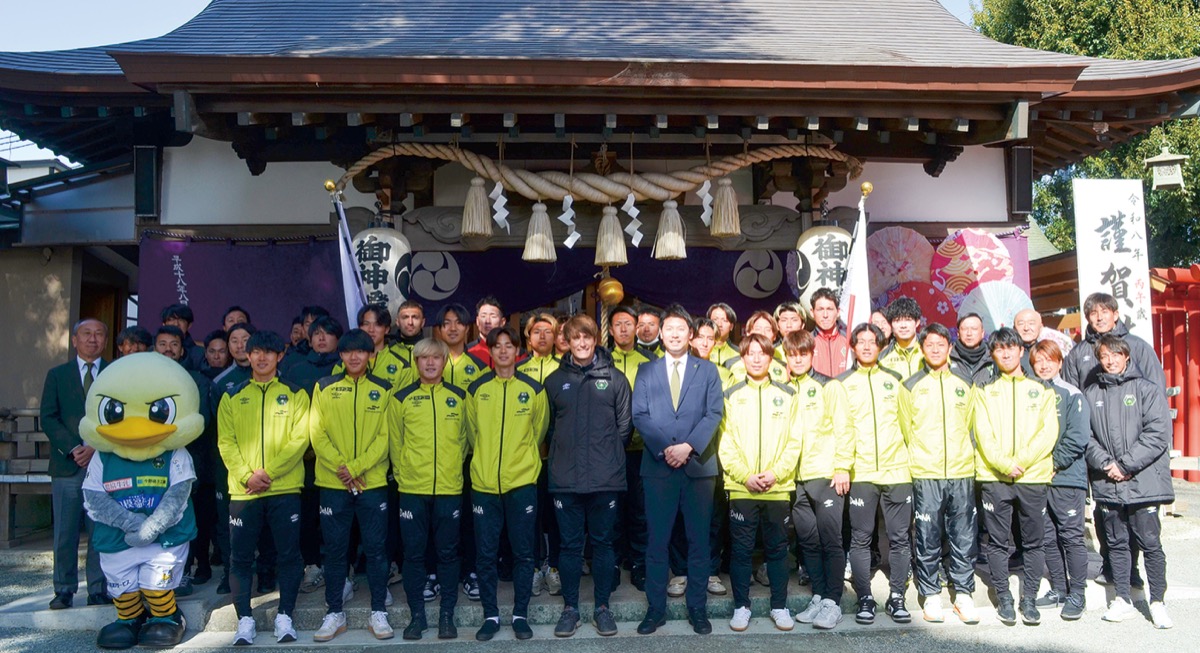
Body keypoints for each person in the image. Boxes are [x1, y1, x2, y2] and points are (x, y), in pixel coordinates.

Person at [633, 305, 724, 636]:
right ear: (660, 334)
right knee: (656, 542)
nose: (673, 334)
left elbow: (714, 413)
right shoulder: (646, 371)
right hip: (658, 468)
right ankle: (655, 609)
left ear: (690, 334)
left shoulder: (707, 371)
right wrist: (665, 449)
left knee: (698, 542)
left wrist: (689, 446)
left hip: (698, 468)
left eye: (680, 329)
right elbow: (640, 415)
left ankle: (697, 609)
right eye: (668, 328)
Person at [217, 330, 310, 646]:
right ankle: (245, 619)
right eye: (256, 351)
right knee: (240, 558)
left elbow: (300, 440)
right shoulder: (232, 395)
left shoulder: (296, 394)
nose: (261, 357)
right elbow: (226, 441)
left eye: (269, 352)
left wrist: (268, 473)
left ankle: (285, 615)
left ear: (280, 355)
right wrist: (247, 476)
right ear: (247, 354)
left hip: (283, 489)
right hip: (245, 492)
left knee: (288, 555)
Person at [544, 315, 632, 638]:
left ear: (595, 340)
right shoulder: (555, 381)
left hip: (605, 478)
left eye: (587, 338)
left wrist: (604, 457)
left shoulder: (615, 379)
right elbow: (549, 428)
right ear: (566, 341)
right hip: (565, 480)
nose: (582, 344)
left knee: (603, 544)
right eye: (575, 338)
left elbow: (624, 428)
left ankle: (602, 608)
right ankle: (570, 609)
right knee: (569, 547)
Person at [308, 329, 395, 642]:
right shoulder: (325, 387)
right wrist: (342, 468)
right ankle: (334, 612)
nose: (354, 357)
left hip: (371, 483)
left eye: (361, 352)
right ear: (341, 355)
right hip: (333, 483)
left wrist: (355, 468)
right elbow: (316, 433)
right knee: (334, 551)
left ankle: (378, 612)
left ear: (371, 355)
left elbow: (386, 437)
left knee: (376, 549)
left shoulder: (384, 389)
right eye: (348, 352)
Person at [466, 326, 550, 641]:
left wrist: (520, 464)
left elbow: (538, 433)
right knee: (486, 554)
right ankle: (490, 615)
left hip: (522, 483)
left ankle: (519, 614)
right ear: (490, 351)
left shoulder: (534, 389)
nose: (503, 351)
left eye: (508, 345)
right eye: (497, 346)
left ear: (517, 350)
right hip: (484, 484)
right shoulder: (476, 389)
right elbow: (472, 435)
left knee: (524, 552)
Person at [1085, 334, 1174, 629]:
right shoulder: (1092, 393)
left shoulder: (1146, 389)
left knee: (1150, 543)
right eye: (1104, 356)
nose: (1109, 361)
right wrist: (1106, 464)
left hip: (1143, 483)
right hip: (1108, 482)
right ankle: (1122, 597)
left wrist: (1125, 464)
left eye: (1115, 355)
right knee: (1116, 543)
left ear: (1126, 356)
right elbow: (1087, 437)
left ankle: (1157, 601)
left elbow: (1158, 433)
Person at [973, 327, 1058, 626]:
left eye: (1011, 348)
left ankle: (1030, 599)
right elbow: (982, 432)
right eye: (999, 349)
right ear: (993, 355)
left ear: (1021, 351)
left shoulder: (1042, 390)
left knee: (1034, 542)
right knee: (996, 542)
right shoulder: (984, 391)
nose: (1006, 353)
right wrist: (1002, 463)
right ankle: (1005, 599)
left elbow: (1048, 433)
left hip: (1032, 477)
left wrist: (1019, 462)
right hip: (995, 478)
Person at [718, 333, 802, 633]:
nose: (756, 358)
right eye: (750, 353)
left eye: (761, 353)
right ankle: (741, 606)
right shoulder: (730, 395)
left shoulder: (788, 394)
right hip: (742, 487)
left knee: (778, 550)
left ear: (770, 357)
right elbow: (724, 443)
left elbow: (795, 441)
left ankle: (780, 606)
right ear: (742, 358)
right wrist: (745, 475)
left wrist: (776, 473)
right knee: (740, 550)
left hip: (777, 488)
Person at [897, 323, 979, 624]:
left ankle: (964, 594)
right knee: (928, 535)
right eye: (929, 344)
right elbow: (907, 428)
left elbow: (971, 423)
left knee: (963, 535)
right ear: (922, 348)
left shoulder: (964, 381)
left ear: (949, 348)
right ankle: (931, 594)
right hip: (925, 471)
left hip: (960, 469)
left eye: (940, 344)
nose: (934, 349)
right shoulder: (911, 385)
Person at [389, 338, 468, 640]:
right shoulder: (402, 398)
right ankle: (417, 617)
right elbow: (395, 443)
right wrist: (404, 473)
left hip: (449, 488)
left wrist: (449, 468)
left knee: (448, 554)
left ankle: (447, 616)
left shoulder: (459, 397)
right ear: (416, 362)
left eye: (436, 357)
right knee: (413, 555)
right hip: (412, 488)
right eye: (424, 358)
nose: (430, 363)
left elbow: (465, 440)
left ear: (445, 361)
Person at [838, 323, 912, 625]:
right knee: (860, 538)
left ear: (881, 346)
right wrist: (843, 465)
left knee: (899, 539)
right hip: (862, 472)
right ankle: (864, 597)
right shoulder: (842, 383)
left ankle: (897, 597)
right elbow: (840, 429)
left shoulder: (895, 381)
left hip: (897, 472)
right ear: (853, 347)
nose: (867, 346)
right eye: (861, 342)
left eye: (873, 342)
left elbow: (909, 425)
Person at [784, 330, 851, 631]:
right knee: (808, 541)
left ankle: (833, 602)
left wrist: (842, 466)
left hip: (825, 475)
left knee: (830, 539)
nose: (797, 359)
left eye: (802, 353)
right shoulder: (784, 390)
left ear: (812, 354)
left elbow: (844, 428)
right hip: (795, 479)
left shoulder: (829, 385)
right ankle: (819, 596)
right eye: (791, 354)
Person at [41, 318, 109, 609]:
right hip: (67, 465)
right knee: (65, 531)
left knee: (100, 529)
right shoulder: (58, 375)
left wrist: (95, 446)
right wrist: (73, 448)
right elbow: (48, 417)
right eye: (86, 334)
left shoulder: (114, 374)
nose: (92, 339)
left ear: (105, 341)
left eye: (98, 334)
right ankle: (64, 589)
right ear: (74, 340)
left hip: (104, 463)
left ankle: (98, 589)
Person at [152, 326, 216, 596]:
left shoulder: (196, 381)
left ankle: (194, 567)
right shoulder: (144, 379)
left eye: (174, 344)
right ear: (155, 348)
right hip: (152, 460)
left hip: (190, 457)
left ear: (182, 349)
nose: (168, 348)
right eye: (163, 343)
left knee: (193, 516)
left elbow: (201, 421)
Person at [1029, 340, 1091, 621]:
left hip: (1066, 477)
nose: (1043, 365)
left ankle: (1078, 592)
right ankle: (1059, 588)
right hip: (1037, 479)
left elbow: (1078, 437)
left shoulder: (1071, 394)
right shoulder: (1029, 394)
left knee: (1071, 536)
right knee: (1048, 537)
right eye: (1038, 360)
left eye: (1049, 360)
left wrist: (1053, 463)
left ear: (1060, 362)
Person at [283, 315, 344, 595]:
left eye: (328, 333)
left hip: (339, 458)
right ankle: (312, 565)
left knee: (338, 515)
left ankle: (344, 567)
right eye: (316, 333)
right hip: (304, 457)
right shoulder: (294, 369)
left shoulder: (347, 369)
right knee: (306, 513)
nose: (321, 338)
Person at [608, 305, 657, 591]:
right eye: (618, 324)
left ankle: (639, 563)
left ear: (637, 327)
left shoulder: (650, 360)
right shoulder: (602, 359)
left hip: (642, 451)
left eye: (628, 324)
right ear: (611, 330)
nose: (624, 329)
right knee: (612, 511)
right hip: (610, 451)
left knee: (641, 511)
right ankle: (613, 563)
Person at [1063, 292, 1165, 391]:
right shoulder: (1077, 353)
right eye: (1094, 313)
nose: (1100, 318)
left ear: (1115, 315)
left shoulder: (1138, 346)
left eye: (1104, 311)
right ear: (1087, 318)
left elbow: (1156, 386)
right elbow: (1070, 395)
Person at [725, 311, 788, 383]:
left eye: (768, 330)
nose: (763, 333)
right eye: (758, 329)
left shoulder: (783, 367)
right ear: (748, 333)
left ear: (774, 336)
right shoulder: (729, 364)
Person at [878, 297, 923, 380]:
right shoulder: (882, 358)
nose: (903, 325)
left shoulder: (931, 350)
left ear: (917, 322)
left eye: (908, 320)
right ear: (891, 324)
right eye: (897, 320)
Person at [810, 288, 850, 378]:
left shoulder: (849, 341)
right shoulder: (805, 342)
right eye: (820, 309)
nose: (825, 315)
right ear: (812, 312)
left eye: (830, 309)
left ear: (838, 312)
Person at [517, 313, 560, 384]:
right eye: (537, 332)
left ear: (555, 339)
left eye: (547, 332)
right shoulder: (518, 368)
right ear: (529, 340)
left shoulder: (563, 367)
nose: (542, 336)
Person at [466, 295, 508, 367]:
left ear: (502, 322)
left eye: (493, 316)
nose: (487, 321)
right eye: (483, 316)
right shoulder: (467, 352)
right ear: (477, 321)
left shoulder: (513, 352)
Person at [161, 303, 206, 371]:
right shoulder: (153, 350)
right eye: (171, 319)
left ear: (189, 325)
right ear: (164, 324)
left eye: (181, 320)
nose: (176, 324)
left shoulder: (199, 353)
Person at [949, 313, 989, 381]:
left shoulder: (992, 357)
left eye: (974, 329)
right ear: (958, 333)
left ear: (983, 333)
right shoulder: (949, 356)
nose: (969, 333)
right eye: (964, 329)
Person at [391, 300, 426, 367]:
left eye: (415, 317)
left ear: (423, 322)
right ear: (397, 322)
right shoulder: (386, 350)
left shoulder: (432, 350)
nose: (410, 322)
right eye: (405, 317)